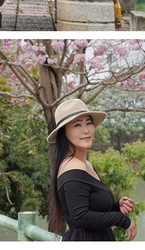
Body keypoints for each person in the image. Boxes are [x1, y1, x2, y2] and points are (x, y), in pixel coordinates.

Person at [47, 98, 137, 242]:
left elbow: (91, 210)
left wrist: (116, 207)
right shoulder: (72, 168)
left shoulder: (85, 164)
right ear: (64, 133)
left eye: (89, 123)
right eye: (77, 125)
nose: (86, 130)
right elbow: (80, 217)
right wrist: (121, 220)